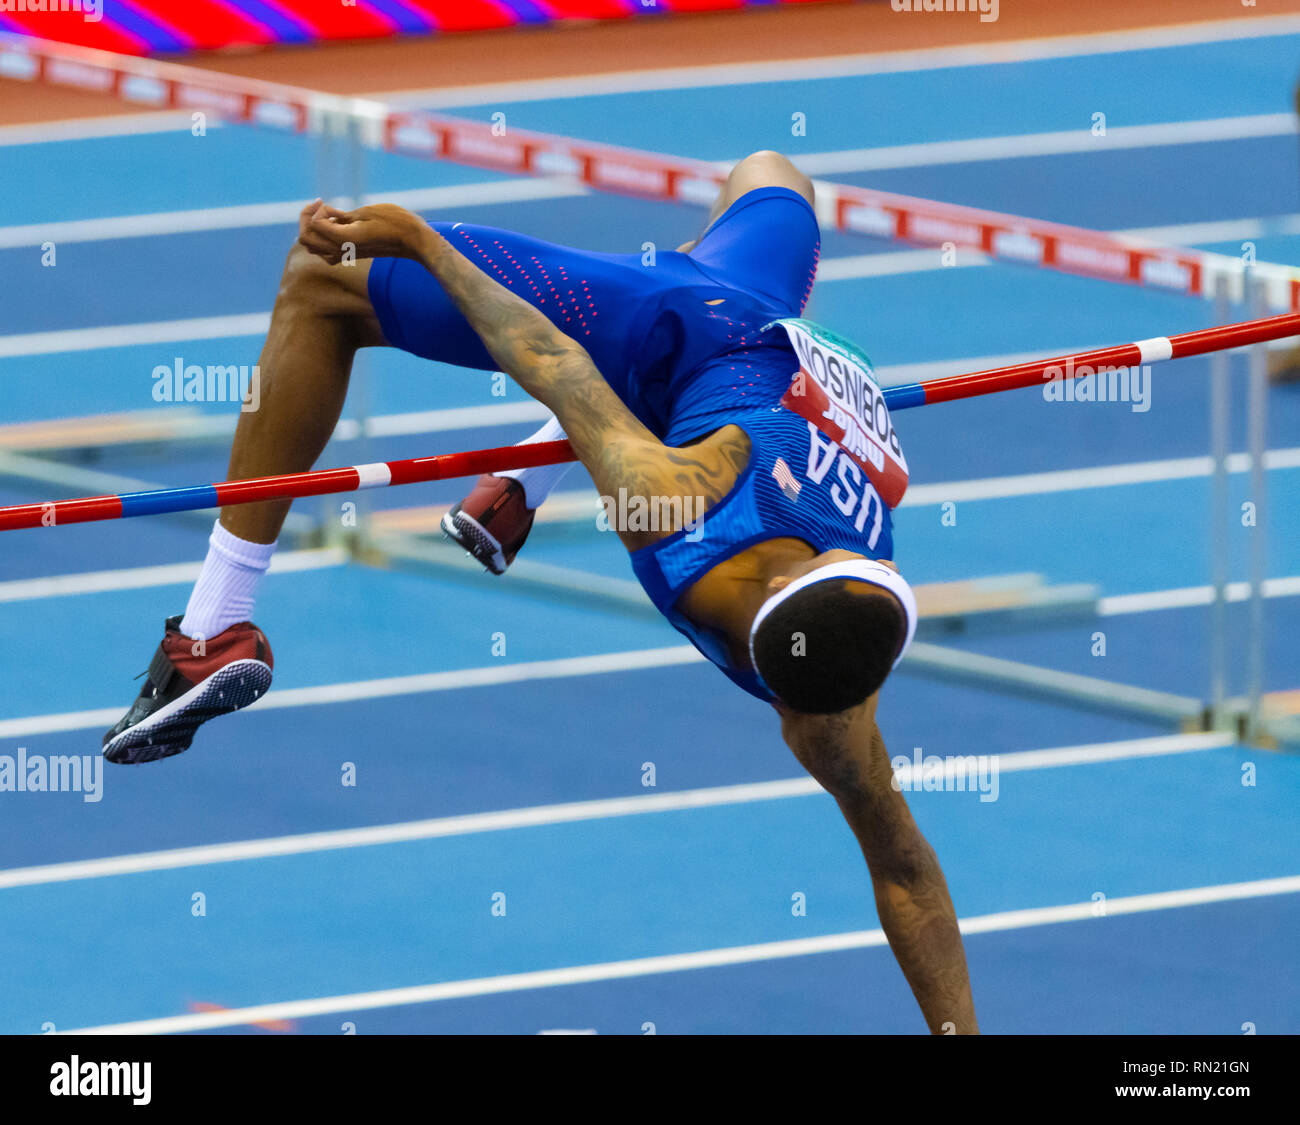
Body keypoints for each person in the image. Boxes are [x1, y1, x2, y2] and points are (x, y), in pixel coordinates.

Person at [102, 151, 978, 1033]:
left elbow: (552, 354)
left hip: (713, 339)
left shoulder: (684, 514)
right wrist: (424, 245)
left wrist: (421, 241)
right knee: (761, 174)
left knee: (321, 278)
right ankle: (265, 601)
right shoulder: (801, 662)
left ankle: (226, 620)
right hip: (697, 327)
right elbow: (551, 359)